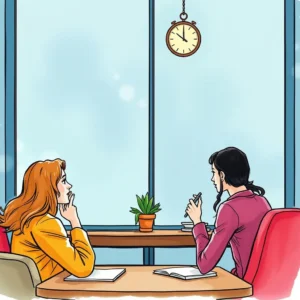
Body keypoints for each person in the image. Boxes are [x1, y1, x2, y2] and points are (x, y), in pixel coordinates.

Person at [0, 159, 95, 281]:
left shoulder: (25, 219)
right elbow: (83, 268)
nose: (69, 186)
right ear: (49, 187)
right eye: (63, 181)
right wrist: (74, 221)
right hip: (47, 293)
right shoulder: (45, 223)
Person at [185, 147, 272, 279]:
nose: (212, 179)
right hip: (265, 282)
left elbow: (204, 265)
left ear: (222, 175)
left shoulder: (229, 208)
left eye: (213, 172)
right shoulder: (262, 201)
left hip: (245, 284)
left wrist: (197, 222)